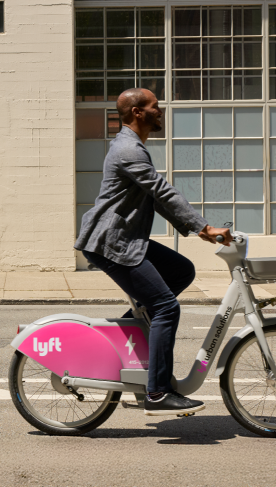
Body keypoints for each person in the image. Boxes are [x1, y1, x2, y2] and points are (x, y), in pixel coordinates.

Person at [74, 88, 233, 416]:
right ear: (137, 113)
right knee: (165, 308)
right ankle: (158, 392)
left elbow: (156, 198)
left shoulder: (131, 147)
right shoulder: (129, 149)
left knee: (181, 271)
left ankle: (131, 338)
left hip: (125, 239)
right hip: (111, 242)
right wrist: (204, 228)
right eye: (154, 107)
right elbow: (163, 192)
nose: (161, 112)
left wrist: (195, 230)